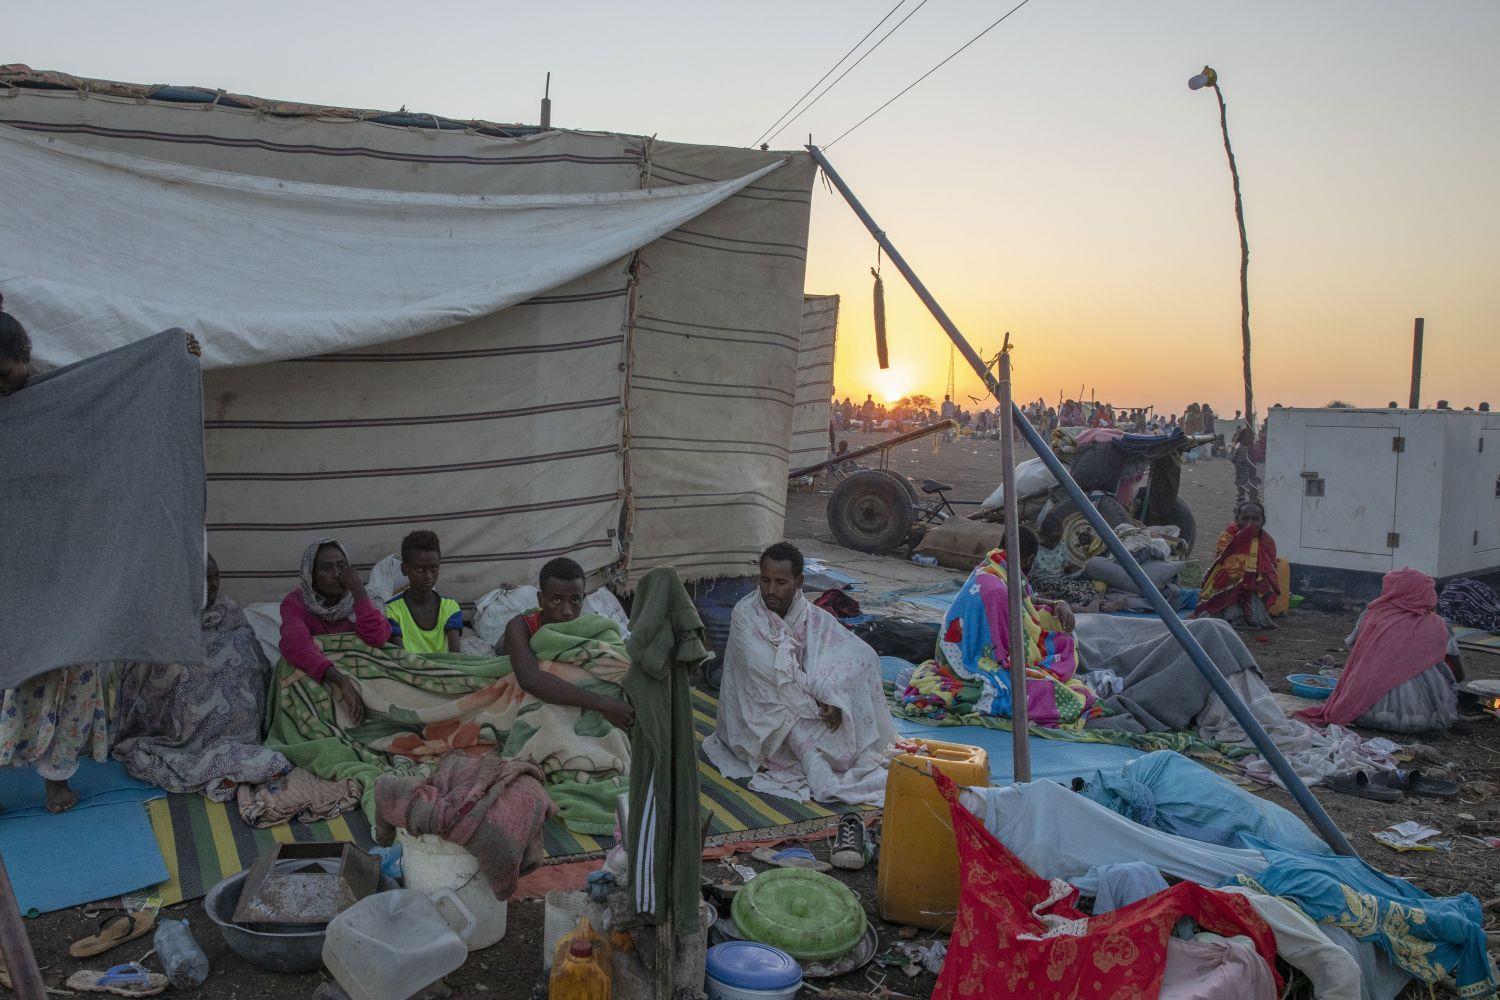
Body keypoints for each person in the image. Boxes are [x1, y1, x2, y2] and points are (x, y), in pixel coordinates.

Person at [0, 297, 200, 812]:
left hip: (66, 561)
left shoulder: (61, 396)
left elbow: (122, 397)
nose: (2, 386)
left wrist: (175, 357)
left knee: (68, 669)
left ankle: (56, 779)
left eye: (6, 373)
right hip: (9, 568)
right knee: (8, 674)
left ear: (26, 355)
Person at [703, 543, 895, 806]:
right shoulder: (745, 615)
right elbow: (770, 675)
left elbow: (853, 654)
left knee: (861, 666)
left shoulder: (810, 615)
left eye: (781, 582)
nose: (771, 590)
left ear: (799, 581)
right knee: (793, 719)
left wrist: (833, 696)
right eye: (765, 580)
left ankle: (828, 755)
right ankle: (819, 770)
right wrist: (820, 701)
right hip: (759, 711)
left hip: (804, 699)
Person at [113, 555, 290, 798]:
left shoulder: (229, 611)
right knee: (183, 672)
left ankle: (233, 748)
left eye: (216, 576)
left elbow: (253, 659)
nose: (213, 584)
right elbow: (150, 673)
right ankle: (204, 752)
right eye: (204, 578)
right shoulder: (166, 617)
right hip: (183, 721)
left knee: (240, 665)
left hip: (239, 723)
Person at [898, 531, 1097, 728]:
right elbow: (1003, 653)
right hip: (970, 665)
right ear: (1029, 559)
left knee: (1052, 622)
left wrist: (1055, 603)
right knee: (1053, 694)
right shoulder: (997, 591)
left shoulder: (992, 567)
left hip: (953, 653)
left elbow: (1024, 601)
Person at [1298, 569, 1462, 734]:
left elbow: (1357, 651)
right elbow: (1457, 670)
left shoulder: (1373, 614)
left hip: (1364, 714)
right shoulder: (1438, 625)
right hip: (1427, 718)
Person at [498, 558, 634, 730]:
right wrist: (605, 704)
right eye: (556, 601)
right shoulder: (520, 627)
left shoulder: (587, 627)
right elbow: (529, 679)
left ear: (583, 599)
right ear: (541, 600)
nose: (567, 611)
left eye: (575, 601)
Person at [278, 539, 392, 725]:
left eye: (341, 566)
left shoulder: (364, 597)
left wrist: (358, 592)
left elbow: (378, 638)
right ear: (311, 575)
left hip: (363, 678)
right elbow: (295, 642)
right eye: (326, 568)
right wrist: (341, 681)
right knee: (291, 665)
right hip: (322, 681)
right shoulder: (296, 603)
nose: (336, 574)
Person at [1195, 500, 1279, 629]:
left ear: (1263, 521)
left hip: (1254, 587)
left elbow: (1272, 570)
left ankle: (1251, 614)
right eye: (1245, 518)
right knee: (1235, 568)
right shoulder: (1228, 535)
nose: (1249, 523)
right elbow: (1221, 563)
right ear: (1237, 519)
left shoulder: (1267, 541)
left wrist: (1255, 570)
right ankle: (1229, 614)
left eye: (1255, 519)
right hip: (1228, 585)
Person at [384, 530, 464, 654]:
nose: (428, 576)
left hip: (445, 671)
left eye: (433, 568)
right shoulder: (391, 610)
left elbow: (456, 657)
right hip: (409, 671)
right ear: (404, 569)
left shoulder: (449, 607)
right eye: (420, 569)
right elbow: (401, 658)